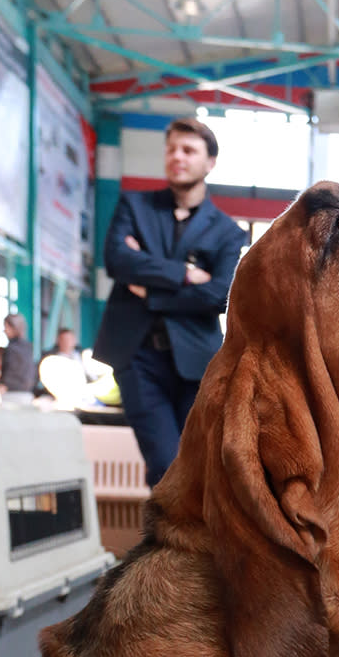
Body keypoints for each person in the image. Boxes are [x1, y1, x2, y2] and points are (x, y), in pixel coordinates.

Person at [93, 116, 248, 487]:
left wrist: (151, 290)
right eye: (171, 149)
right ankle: (168, 545)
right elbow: (117, 260)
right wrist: (184, 274)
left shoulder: (228, 232)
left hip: (196, 362)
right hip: (137, 356)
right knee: (164, 464)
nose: (177, 157)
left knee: (198, 468)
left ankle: (187, 546)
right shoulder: (134, 206)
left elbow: (218, 295)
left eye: (188, 150)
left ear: (210, 163)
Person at [0, 313, 36, 402]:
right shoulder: (29, 347)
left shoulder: (12, 348)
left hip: (12, 393)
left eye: (6, 327)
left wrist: (3, 385)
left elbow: (11, 369)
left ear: (14, 327)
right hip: (27, 393)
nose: (4, 330)